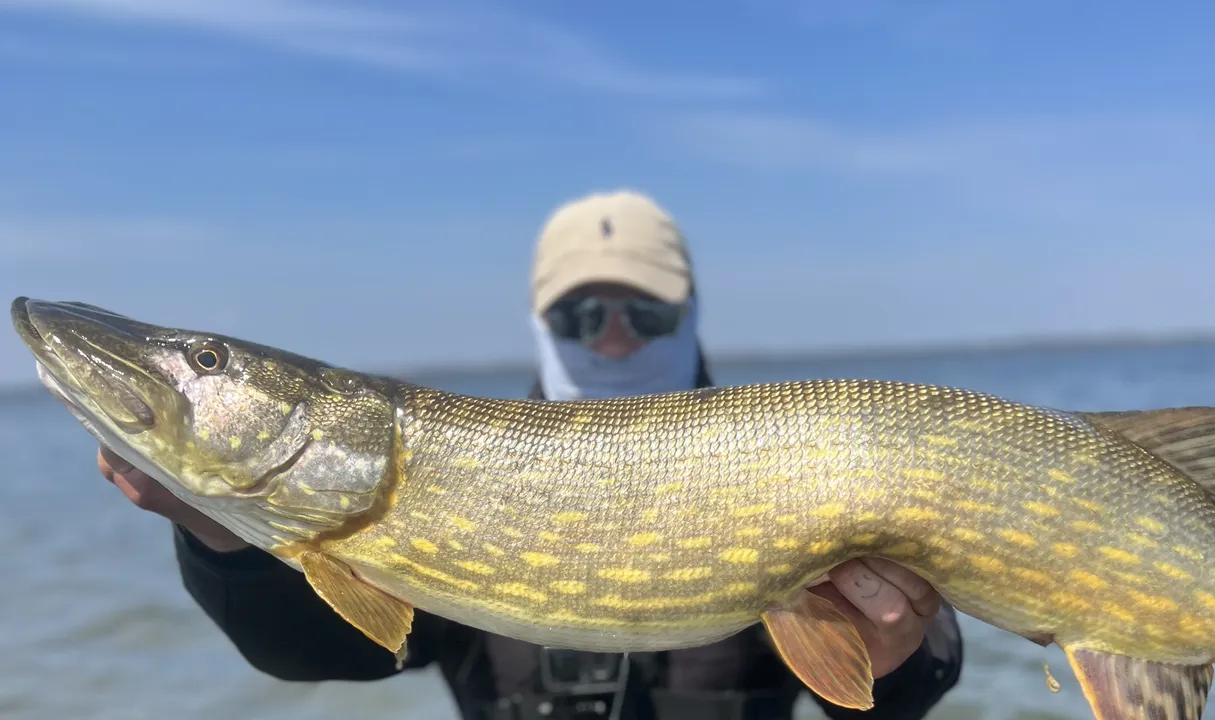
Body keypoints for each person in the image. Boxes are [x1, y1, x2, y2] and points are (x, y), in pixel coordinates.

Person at [96, 189, 963, 719]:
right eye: (584, 317)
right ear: (542, 326)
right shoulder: (447, 480)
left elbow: (904, 680)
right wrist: (222, 538)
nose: (616, 341)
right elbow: (324, 655)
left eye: (646, 316)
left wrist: (896, 660)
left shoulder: (800, 458)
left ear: (690, 318)